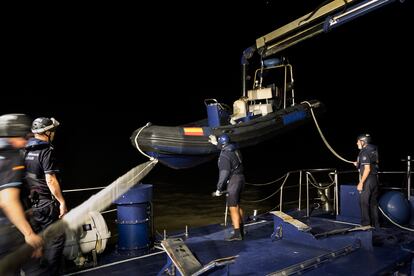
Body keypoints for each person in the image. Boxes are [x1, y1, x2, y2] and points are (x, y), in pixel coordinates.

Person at [0, 113, 43, 273]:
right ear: (13, 134)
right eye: (25, 137)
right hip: (5, 230)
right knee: (34, 265)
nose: (26, 142)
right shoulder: (11, 156)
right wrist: (29, 233)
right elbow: (7, 201)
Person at [24, 117, 67, 275]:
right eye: (53, 131)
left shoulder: (26, 151)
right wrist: (61, 201)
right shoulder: (46, 151)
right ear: (47, 132)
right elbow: (50, 179)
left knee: (38, 244)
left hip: (32, 206)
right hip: (46, 205)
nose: (54, 133)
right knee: (56, 239)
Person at [210, 134, 245, 241]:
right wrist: (216, 143)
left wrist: (218, 189)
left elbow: (224, 174)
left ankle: (237, 234)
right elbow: (224, 147)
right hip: (241, 178)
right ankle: (241, 229)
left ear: (222, 144)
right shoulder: (234, 148)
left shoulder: (224, 157)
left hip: (234, 182)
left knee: (232, 207)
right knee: (237, 204)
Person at [354, 133, 380, 229]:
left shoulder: (364, 152)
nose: (357, 143)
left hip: (368, 179)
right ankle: (376, 225)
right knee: (373, 203)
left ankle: (365, 225)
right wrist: (358, 164)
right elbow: (375, 163)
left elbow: (367, 169)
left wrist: (361, 183)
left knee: (363, 202)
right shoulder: (373, 149)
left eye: (358, 141)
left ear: (363, 141)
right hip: (375, 179)